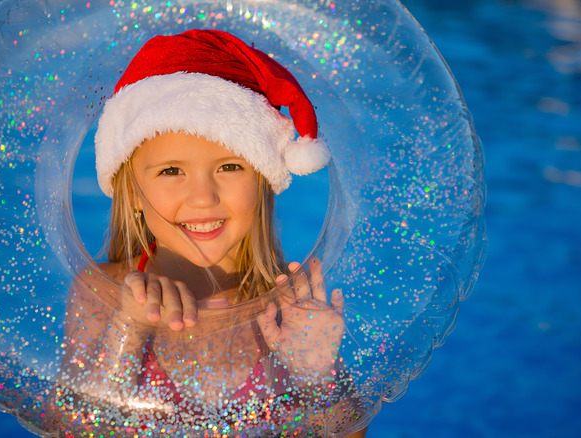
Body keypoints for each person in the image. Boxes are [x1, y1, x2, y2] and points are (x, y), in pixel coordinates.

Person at [57, 29, 367, 437]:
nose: (203, 198)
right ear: (131, 192)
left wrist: (315, 377)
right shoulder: (101, 290)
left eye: (229, 166)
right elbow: (67, 430)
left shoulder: (286, 306)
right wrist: (129, 329)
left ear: (262, 180)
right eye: (171, 171)